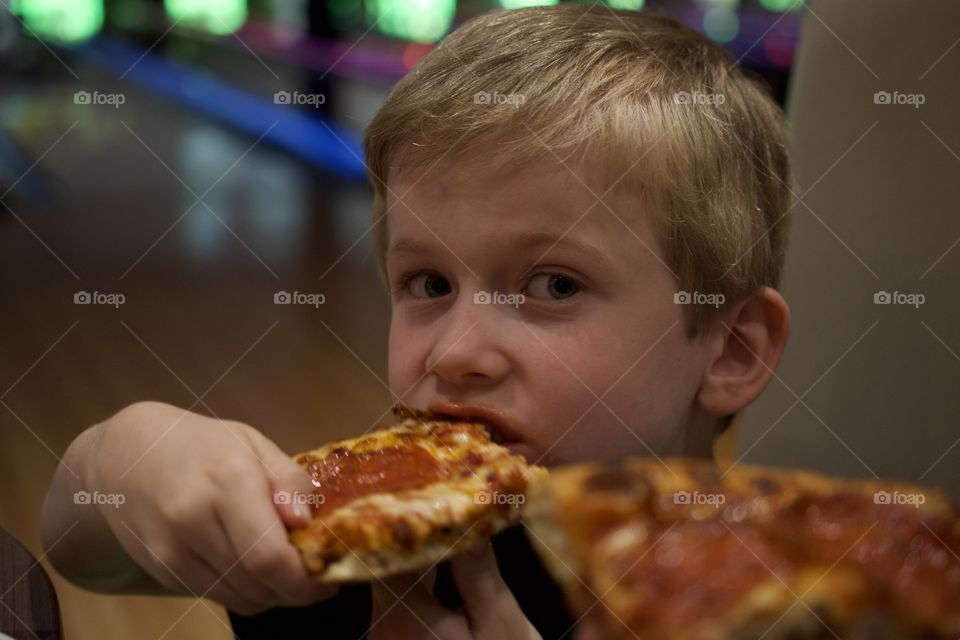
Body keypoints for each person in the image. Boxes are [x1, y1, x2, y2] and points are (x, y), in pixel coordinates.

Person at [40, 4, 792, 638]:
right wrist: (124, 456)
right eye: (428, 282)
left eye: (554, 285)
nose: (458, 352)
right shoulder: (374, 531)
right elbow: (80, 546)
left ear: (729, 350)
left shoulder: (820, 598)